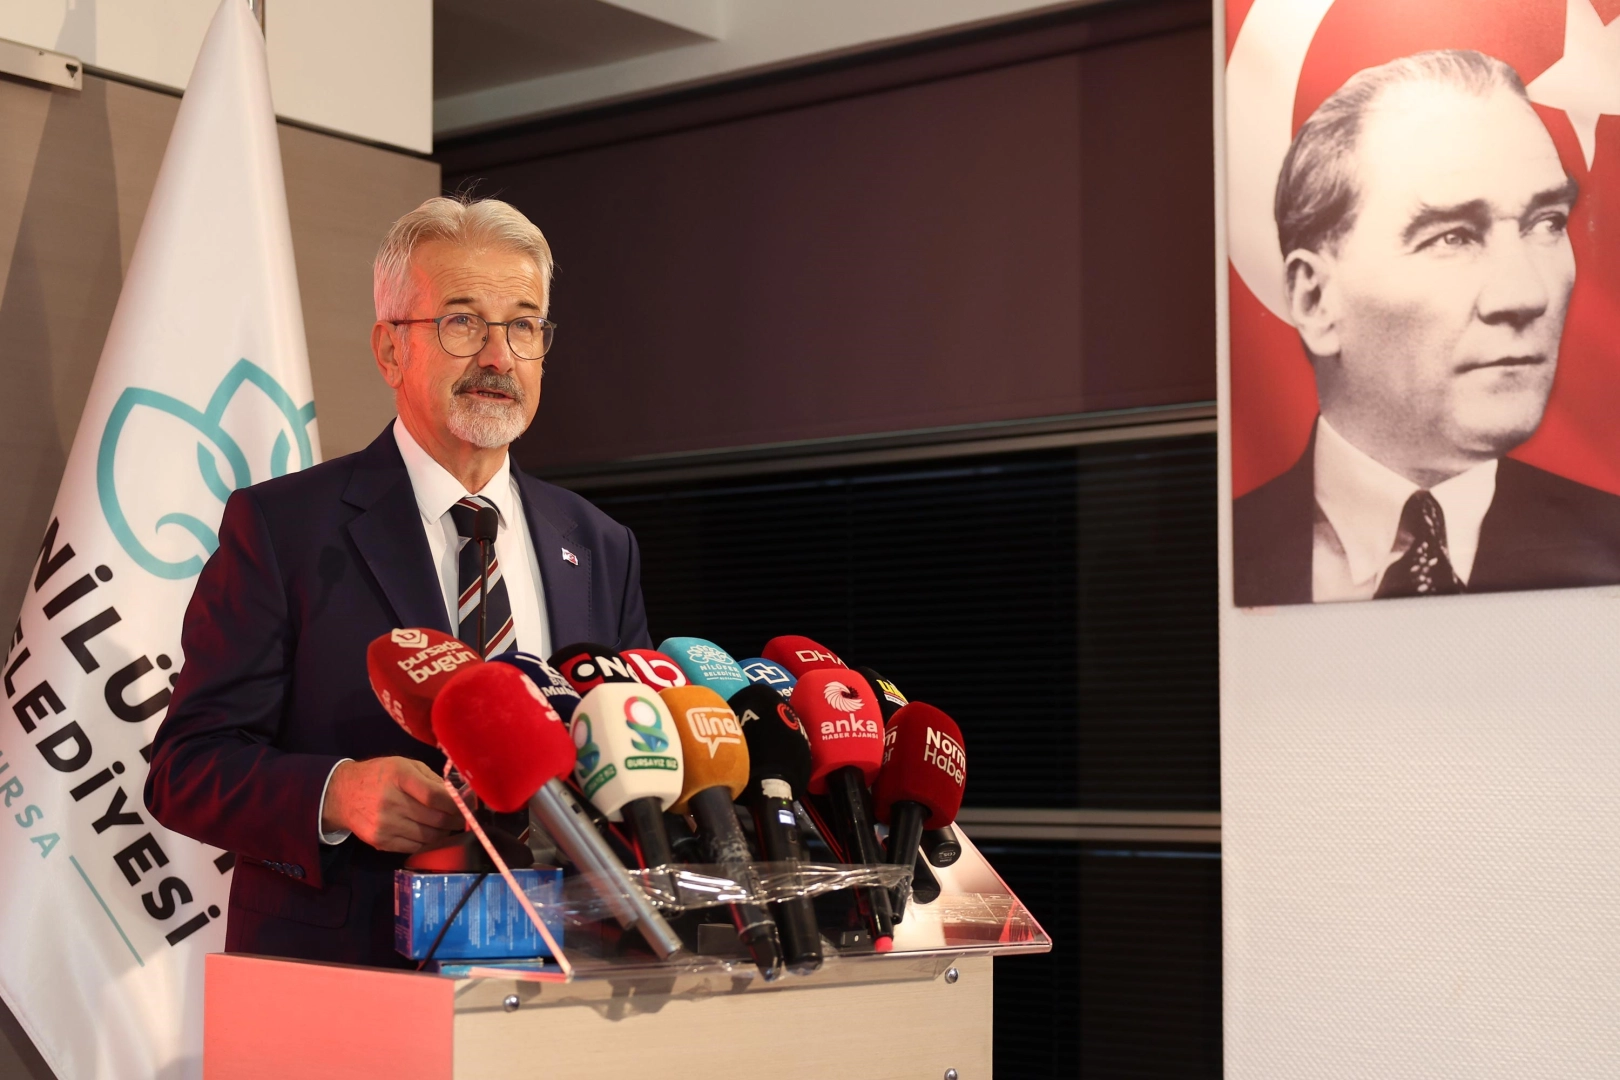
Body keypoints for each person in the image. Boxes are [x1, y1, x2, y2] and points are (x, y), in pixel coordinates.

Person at [145, 196, 652, 966]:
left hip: (563, 972)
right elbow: (186, 767)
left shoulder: (600, 544)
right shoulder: (284, 527)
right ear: (390, 350)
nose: (498, 356)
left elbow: (633, 750)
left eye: (523, 326)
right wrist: (336, 794)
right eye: (462, 322)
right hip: (349, 976)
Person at [1234, 49, 1620, 607]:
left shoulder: (1608, 548)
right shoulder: (1206, 567)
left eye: (1546, 223)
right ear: (1315, 300)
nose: (1526, 295)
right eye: (1452, 236)